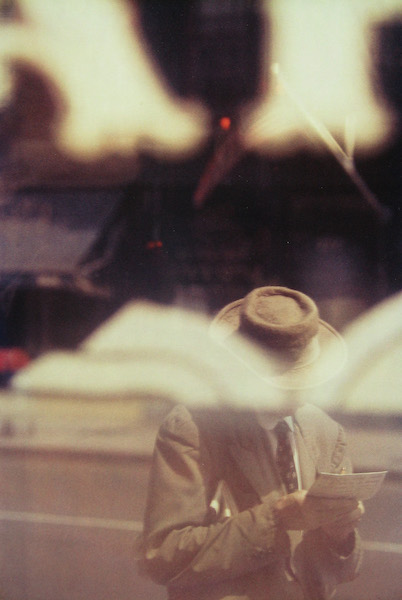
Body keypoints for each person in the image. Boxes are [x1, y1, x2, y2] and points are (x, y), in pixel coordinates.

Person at [138, 286, 364, 600]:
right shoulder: (194, 428)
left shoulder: (326, 431)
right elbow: (163, 557)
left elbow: (340, 572)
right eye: (286, 384)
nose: (301, 394)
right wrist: (277, 518)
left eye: (308, 380)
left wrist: (340, 536)